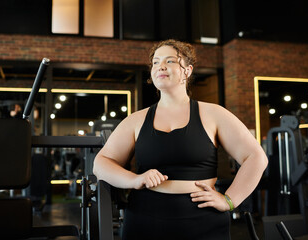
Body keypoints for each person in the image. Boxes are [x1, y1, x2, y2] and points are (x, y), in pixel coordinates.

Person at [93, 39, 268, 239]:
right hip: (144, 218)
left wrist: (230, 200)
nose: (161, 66)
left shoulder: (213, 114)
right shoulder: (136, 120)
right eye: (156, 62)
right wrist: (135, 180)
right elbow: (101, 163)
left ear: (188, 70)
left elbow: (256, 157)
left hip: (203, 220)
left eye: (170, 61)